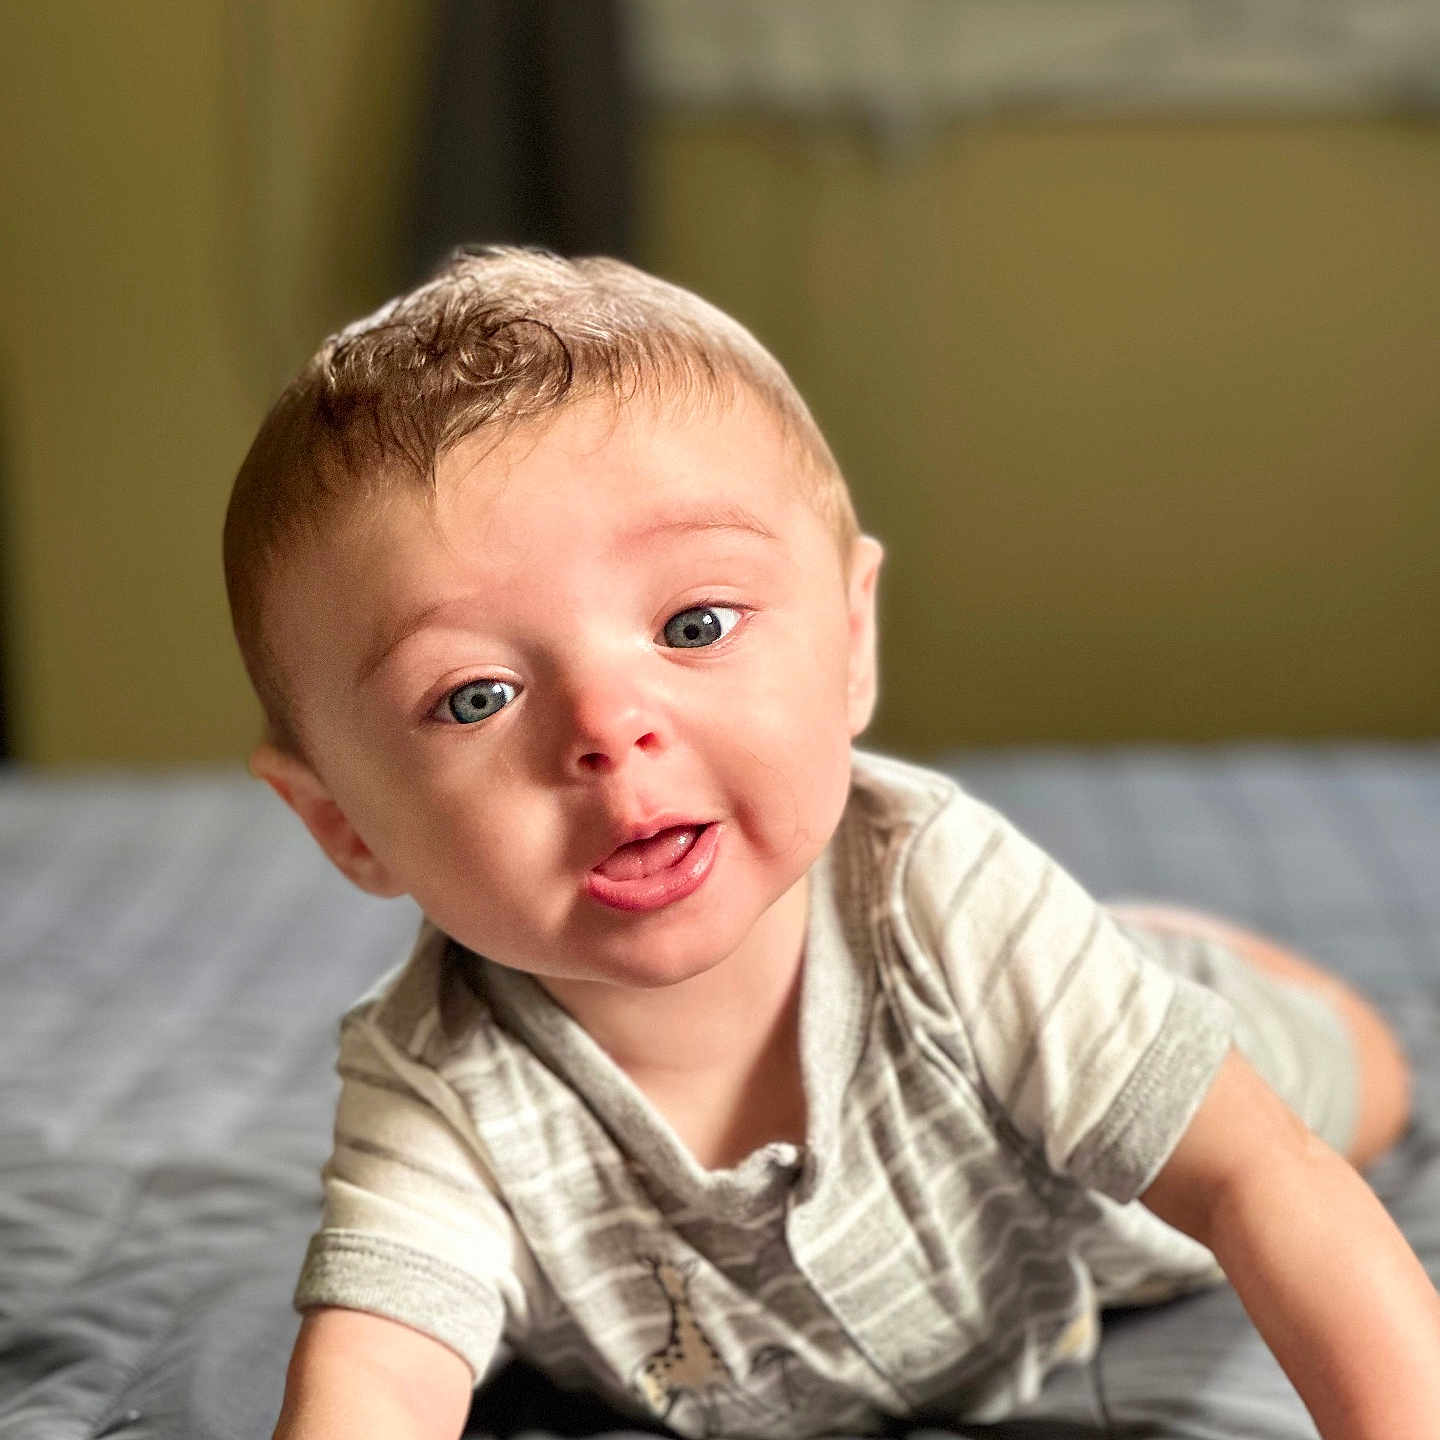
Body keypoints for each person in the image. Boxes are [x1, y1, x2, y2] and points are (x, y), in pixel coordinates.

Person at [223, 247, 1438, 1440]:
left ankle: (1169, 958)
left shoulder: (945, 903)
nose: (608, 729)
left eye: (694, 622)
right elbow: (377, 1378)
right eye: (475, 696)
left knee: (1354, 1089)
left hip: (1084, 1215)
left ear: (852, 640)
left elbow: (1258, 1177)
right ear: (344, 824)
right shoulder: (437, 1085)